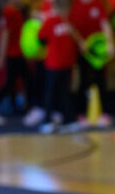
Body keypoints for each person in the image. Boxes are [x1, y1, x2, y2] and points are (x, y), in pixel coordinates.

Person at [37, 0, 79, 133]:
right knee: (50, 93)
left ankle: (69, 120)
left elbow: (73, 38)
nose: (66, 12)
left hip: (65, 65)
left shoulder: (66, 23)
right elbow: (41, 37)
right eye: (64, 9)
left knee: (64, 93)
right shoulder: (50, 21)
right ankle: (47, 121)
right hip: (53, 65)